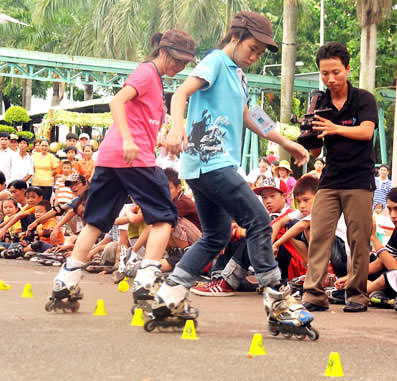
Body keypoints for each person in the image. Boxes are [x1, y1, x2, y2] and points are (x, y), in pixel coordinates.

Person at [161, 11, 316, 338]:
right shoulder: (216, 61)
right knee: (259, 219)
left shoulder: (238, 77)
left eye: (261, 53)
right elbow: (180, 93)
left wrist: (289, 142)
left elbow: (251, 116)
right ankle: (277, 301)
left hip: (210, 168)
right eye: (254, 48)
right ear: (236, 36)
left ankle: (169, 296)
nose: (255, 56)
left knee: (215, 236)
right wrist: (177, 128)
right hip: (209, 160)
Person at [46, 29, 197, 313]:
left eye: (185, 63)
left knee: (96, 221)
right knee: (165, 216)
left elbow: (142, 121)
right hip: (132, 156)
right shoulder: (146, 72)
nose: (180, 67)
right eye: (177, 61)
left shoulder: (155, 79)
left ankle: (65, 282)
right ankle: (146, 282)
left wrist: (163, 142)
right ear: (162, 52)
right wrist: (129, 139)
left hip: (111, 157)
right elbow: (117, 101)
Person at [301, 42, 379, 313]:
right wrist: (307, 134)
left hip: (359, 178)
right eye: (324, 74)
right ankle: (313, 292)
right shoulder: (319, 101)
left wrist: (334, 127)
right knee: (319, 233)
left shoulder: (363, 99)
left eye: (335, 72)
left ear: (347, 69)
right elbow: (315, 149)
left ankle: (357, 293)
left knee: (359, 238)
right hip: (330, 178)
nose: (331, 79)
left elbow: (366, 132)